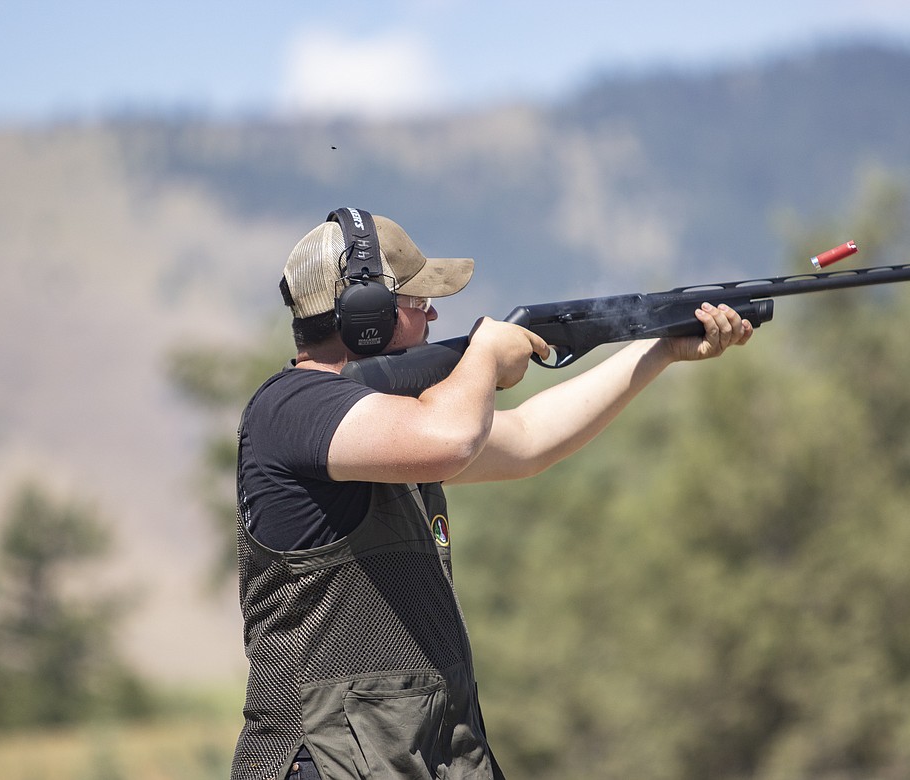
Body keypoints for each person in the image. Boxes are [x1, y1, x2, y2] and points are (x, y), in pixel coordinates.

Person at [232, 208, 753, 780]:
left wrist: (660, 350)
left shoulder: (389, 424)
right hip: (328, 762)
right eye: (416, 300)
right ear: (365, 319)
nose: (433, 312)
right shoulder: (291, 408)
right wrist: (483, 353)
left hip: (406, 756)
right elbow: (451, 439)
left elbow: (530, 439)